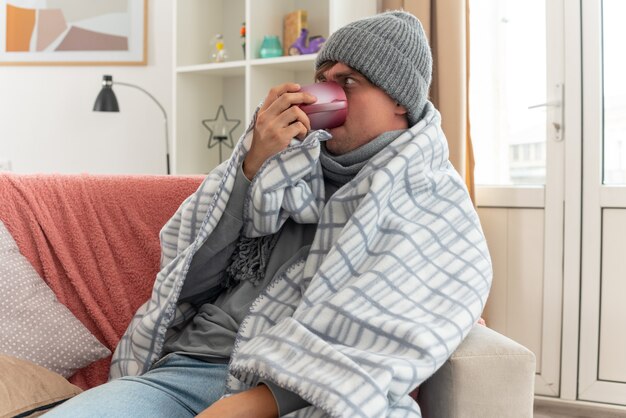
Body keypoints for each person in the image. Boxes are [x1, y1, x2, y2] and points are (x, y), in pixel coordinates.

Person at [45, 10, 491, 418]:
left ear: (399, 101)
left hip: (299, 394)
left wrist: (253, 404)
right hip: (189, 371)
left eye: (348, 82)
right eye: (322, 77)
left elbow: (381, 338)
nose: (325, 92)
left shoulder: (430, 200)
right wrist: (250, 168)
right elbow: (189, 279)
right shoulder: (278, 160)